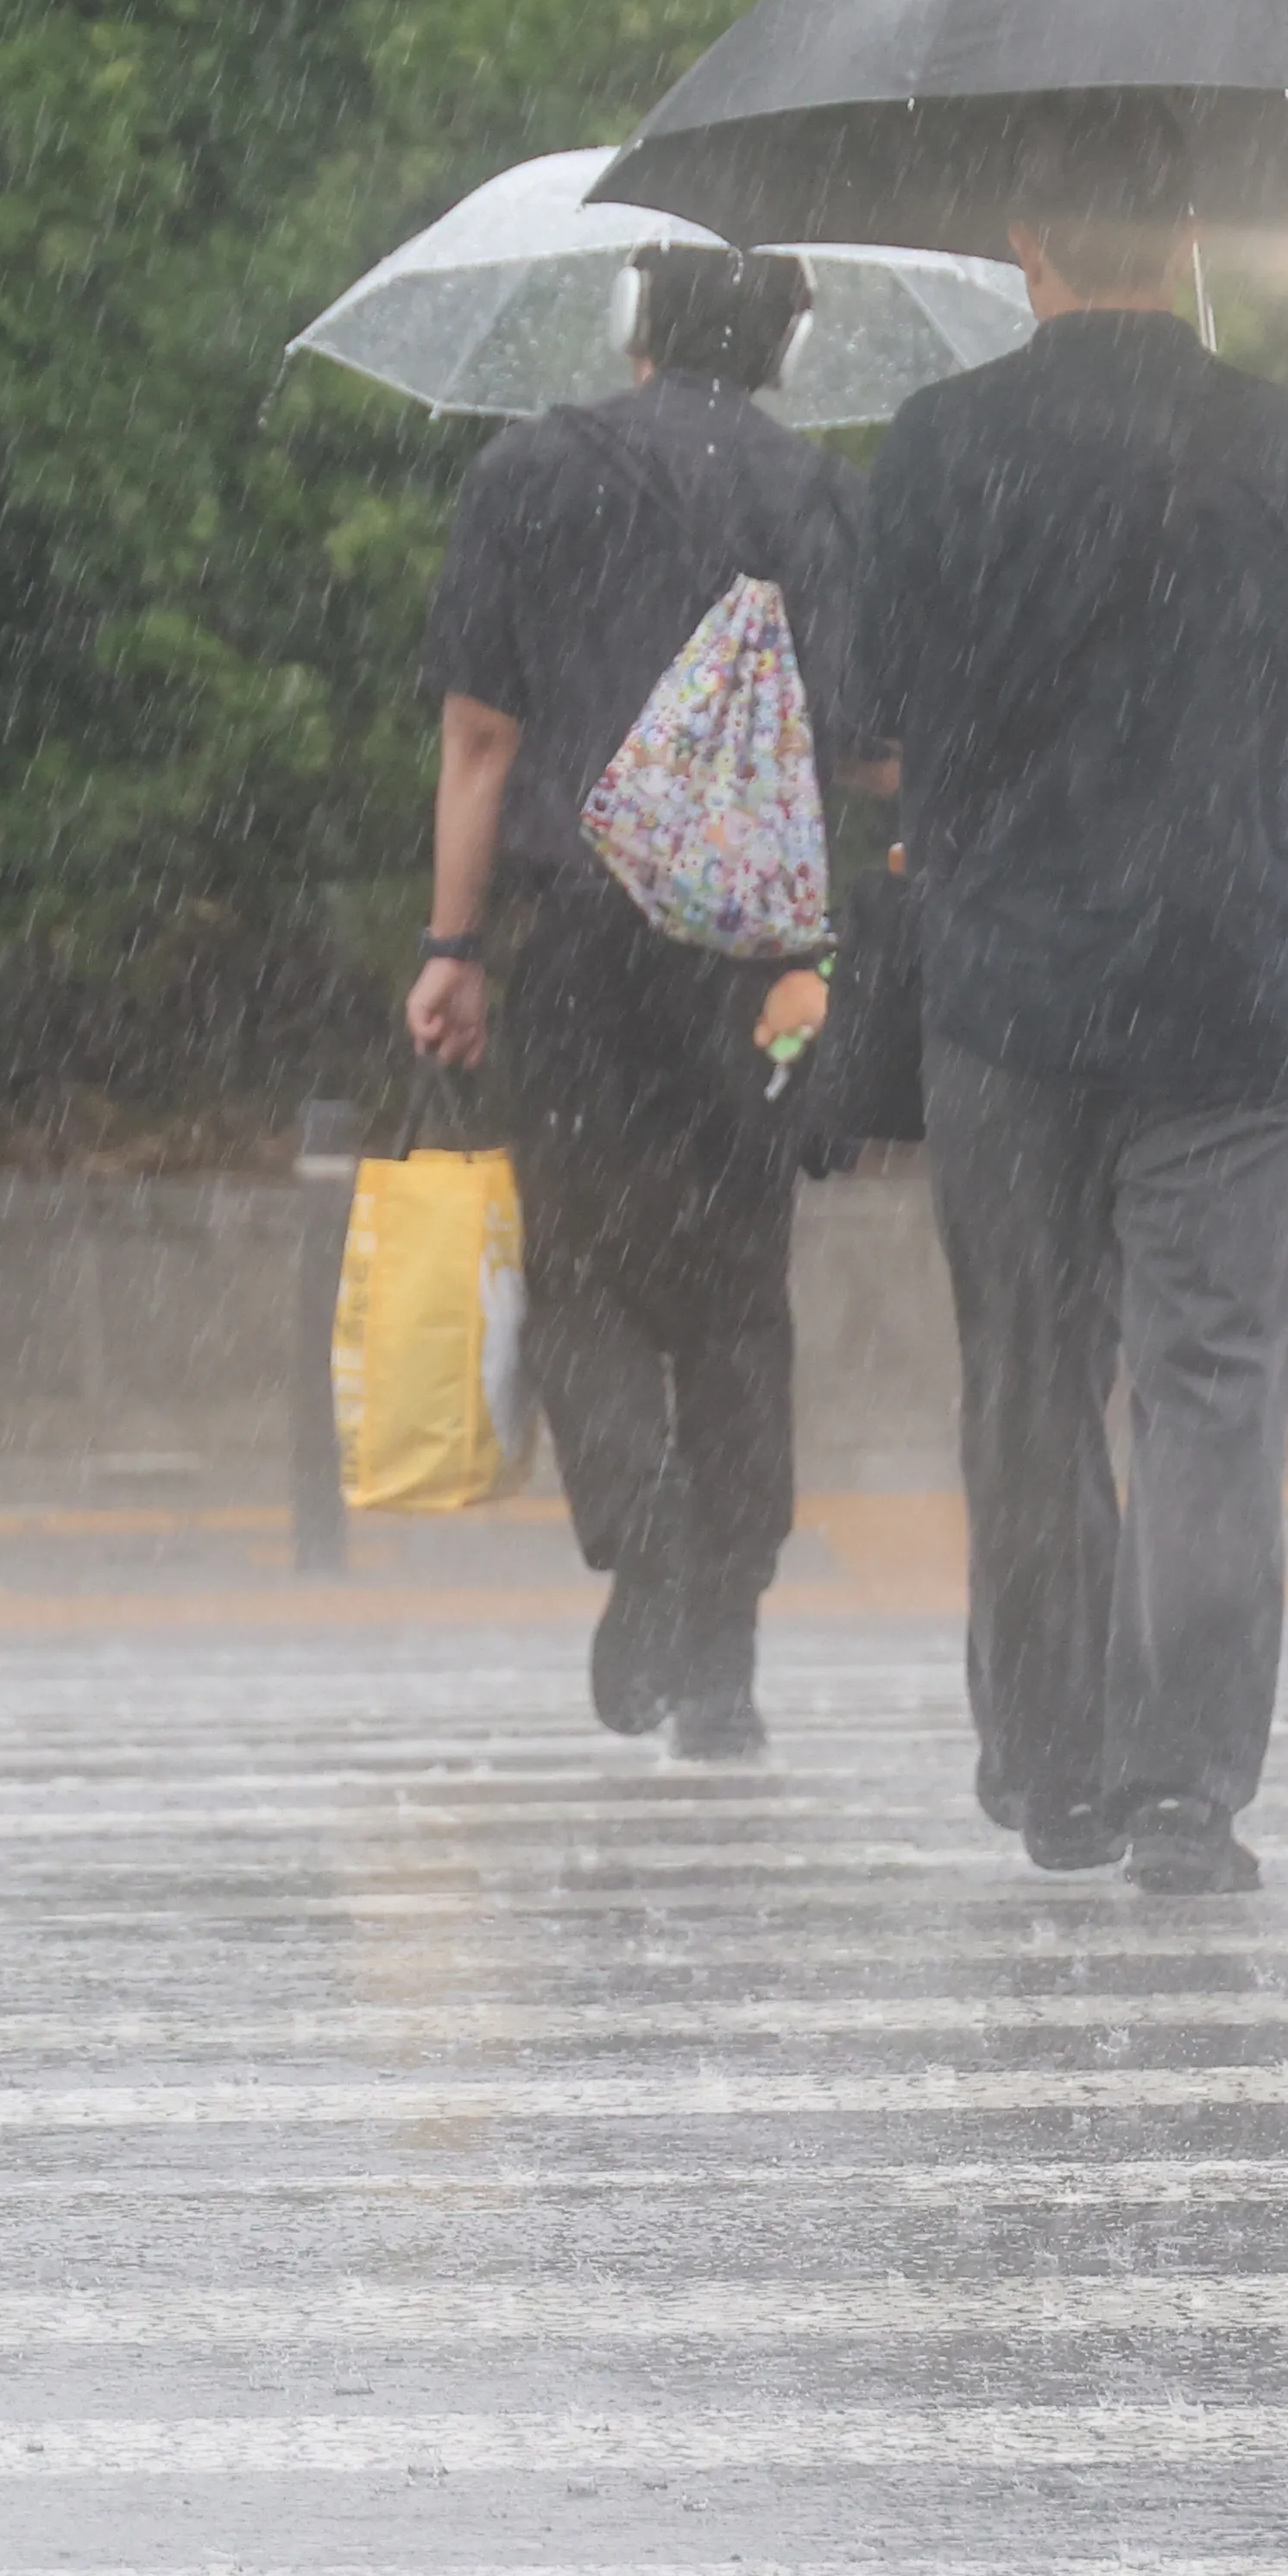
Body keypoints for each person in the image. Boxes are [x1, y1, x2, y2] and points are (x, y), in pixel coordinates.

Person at [859, 112, 1288, 1896]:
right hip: (1235, 990)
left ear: (1024, 243)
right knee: (1210, 1388)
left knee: (1030, 1381)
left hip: (1008, 993)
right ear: (1191, 234)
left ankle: (1050, 1763)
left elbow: (875, 709)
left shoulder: (939, 446)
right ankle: (1184, 1784)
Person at [409, 246, 862, 1761]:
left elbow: (481, 740)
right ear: (787, 341)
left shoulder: (526, 474)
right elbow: (861, 746)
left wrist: (452, 948)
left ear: (632, 323)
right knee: (737, 1290)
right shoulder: (812, 494)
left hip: (581, 931)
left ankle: (641, 1525)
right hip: (758, 958)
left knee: (585, 1270)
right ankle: (723, 1660)